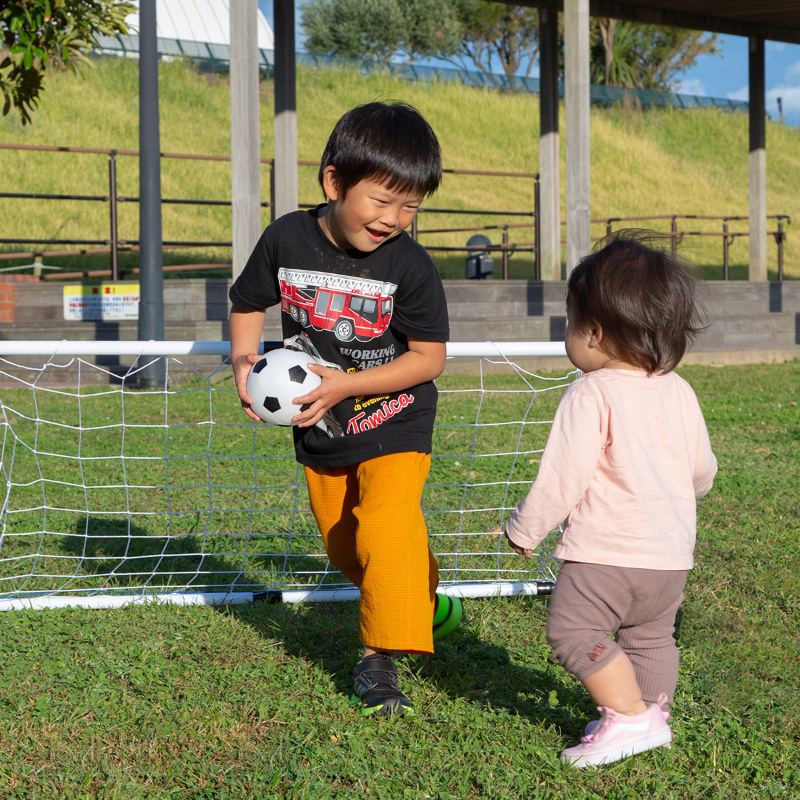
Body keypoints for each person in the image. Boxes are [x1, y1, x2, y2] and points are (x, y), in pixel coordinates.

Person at [229, 101, 457, 717]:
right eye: (382, 201)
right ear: (334, 182)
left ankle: (377, 660)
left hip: (397, 415)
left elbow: (428, 359)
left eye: (410, 206)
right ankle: (424, 591)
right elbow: (248, 302)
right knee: (346, 547)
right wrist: (245, 365)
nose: (394, 219)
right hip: (322, 429)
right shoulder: (285, 238)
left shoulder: (409, 266)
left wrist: (348, 383)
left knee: (386, 521)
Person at [504, 230, 717, 767]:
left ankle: (628, 717)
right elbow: (701, 472)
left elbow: (563, 477)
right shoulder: (678, 388)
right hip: (669, 558)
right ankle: (649, 714)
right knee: (650, 637)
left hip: (606, 554)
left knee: (573, 630)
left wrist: (525, 529)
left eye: (569, 322)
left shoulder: (591, 391)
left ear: (593, 332)